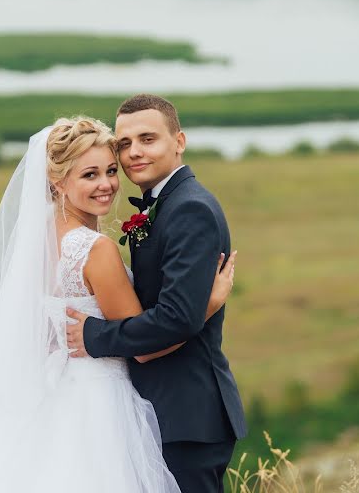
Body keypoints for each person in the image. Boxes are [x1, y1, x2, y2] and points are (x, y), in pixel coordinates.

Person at [0, 116, 236, 492]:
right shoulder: (94, 249)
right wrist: (207, 306)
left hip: (50, 397)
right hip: (98, 405)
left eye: (110, 171)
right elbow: (148, 351)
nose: (106, 185)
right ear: (58, 181)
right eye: (89, 175)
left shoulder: (38, 240)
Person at [66, 94, 249, 493]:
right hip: (160, 411)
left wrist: (94, 336)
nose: (133, 153)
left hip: (187, 415)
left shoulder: (189, 208)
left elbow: (176, 318)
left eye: (148, 139)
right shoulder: (164, 205)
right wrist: (209, 303)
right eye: (125, 144)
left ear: (178, 141)